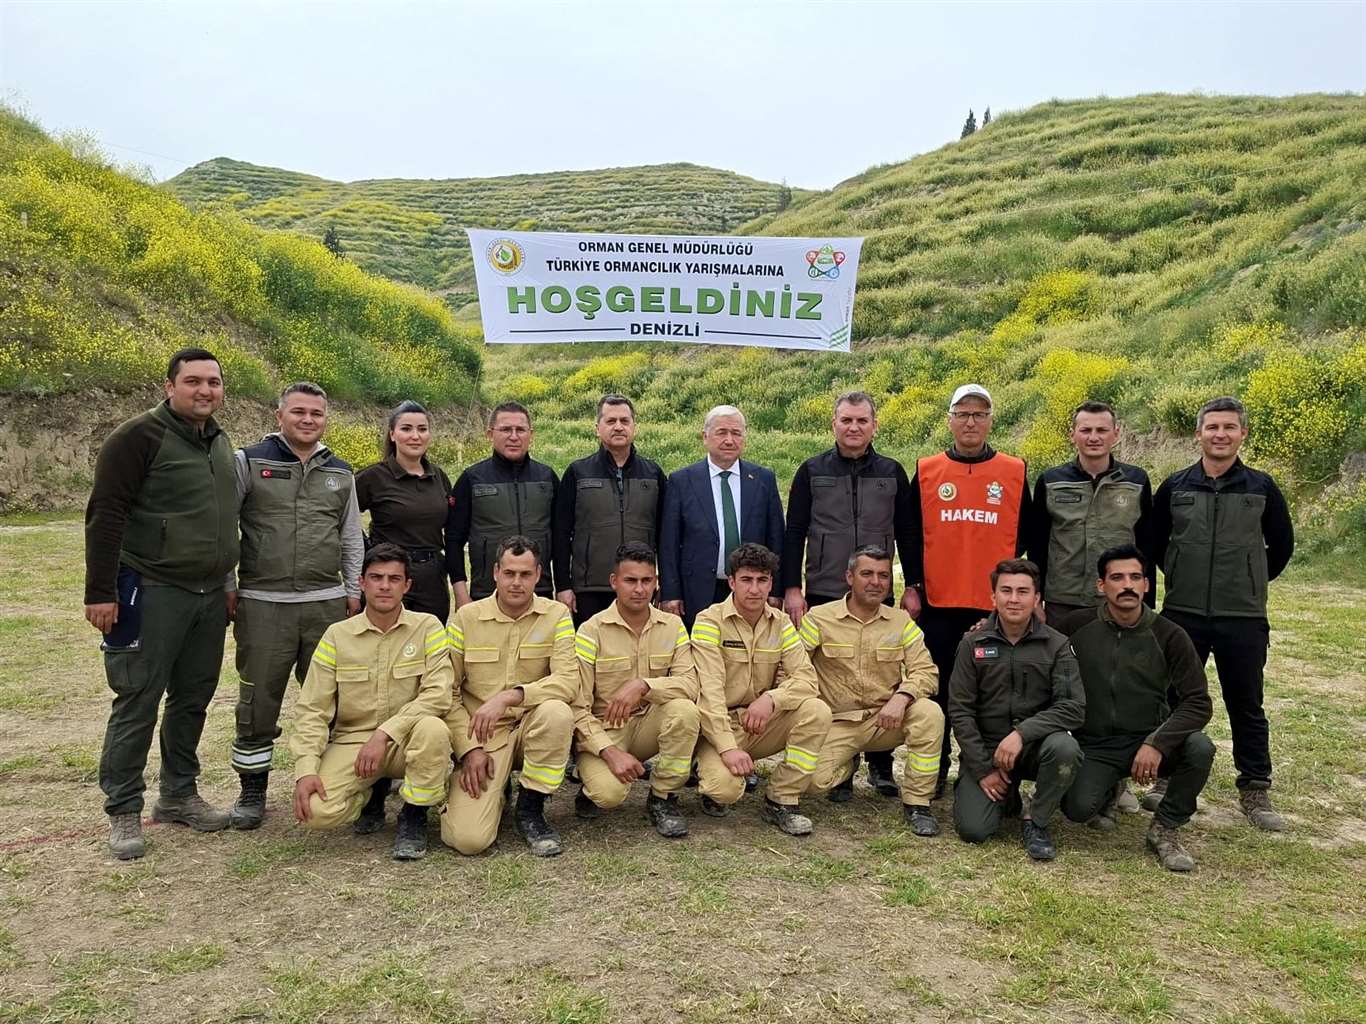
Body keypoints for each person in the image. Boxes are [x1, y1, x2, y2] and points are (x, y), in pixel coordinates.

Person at [84, 347, 240, 860]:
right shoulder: (137, 438)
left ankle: (178, 794)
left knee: (193, 698)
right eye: (193, 381)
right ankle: (124, 808)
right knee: (138, 698)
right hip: (150, 589)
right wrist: (101, 592)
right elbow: (105, 514)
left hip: (208, 594)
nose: (205, 391)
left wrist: (228, 579)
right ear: (170, 386)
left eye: (213, 382)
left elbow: (223, 522)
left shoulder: (220, 442)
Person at [1151, 396, 1294, 831]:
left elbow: (1281, 546)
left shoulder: (1262, 487)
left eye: (1229, 427)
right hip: (1183, 613)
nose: (1220, 434)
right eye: (1212, 427)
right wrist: (1180, 573)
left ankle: (1255, 788)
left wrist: (1248, 581)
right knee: (1173, 698)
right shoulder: (1174, 486)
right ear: (1198, 434)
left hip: (1243, 617)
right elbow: (1156, 543)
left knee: (1246, 703)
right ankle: (1163, 778)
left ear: (1242, 434)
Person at [225, 381, 364, 830]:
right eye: (299, 412)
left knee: (336, 701)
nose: (308, 420)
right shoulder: (248, 462)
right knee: (257, 700)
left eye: (316, 414)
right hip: (264, 602)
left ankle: (337, 784)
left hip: (325, 604)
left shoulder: (340, 472)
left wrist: (352, 589)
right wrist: (229, 582)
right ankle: (252, 791)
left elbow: (349, 535)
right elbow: (225, 527)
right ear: (279, 415)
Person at [781, 391, 916, 797]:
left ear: (874, 426)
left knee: (881, 672)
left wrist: (912, 585)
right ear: (834, 424)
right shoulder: (811, 471)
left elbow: (909, 532)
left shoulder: (892, 472)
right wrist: (791, 587)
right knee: (832, 677)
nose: (853, 427)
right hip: (825, 588)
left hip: (877, 590)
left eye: (861, 421)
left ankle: (880, 763)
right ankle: (840, 764)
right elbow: (795, 531)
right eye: (846, 420)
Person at [903, 383, 1032, 798]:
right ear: (950, 421)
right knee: (938, 691)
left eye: (979, 414)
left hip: (995, 608)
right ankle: (934, 770)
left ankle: (983, 770)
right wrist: (913, 585)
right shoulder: (926, 470)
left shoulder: (1014, 471)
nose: (971, 421)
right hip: (938, 604)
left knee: (991, 696)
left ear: (991, 420)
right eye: (963, 414)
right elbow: (907, 534)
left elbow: (1028, 533)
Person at [290, 544, 452, 861]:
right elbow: (312, 709)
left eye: (394, 578)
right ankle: (368, 792)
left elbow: (438, 694)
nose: (384, 586)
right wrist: (305, 769)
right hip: (354, 742)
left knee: (433, 729)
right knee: (316, 812)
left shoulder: (427, 627)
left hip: (407, 739)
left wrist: (384, 734)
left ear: (407, 585)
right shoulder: (337, 635)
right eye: (376, 577)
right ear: (362, 583)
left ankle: (414, 814)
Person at [1060, 545, 1216, 871]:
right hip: (1096, 743)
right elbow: (1031, 643)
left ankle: (1165, 829)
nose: (1127, 585)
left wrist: (1156, 742)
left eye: (1135, 577)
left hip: (1149, 740)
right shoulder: (1076, 626)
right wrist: (984, 629)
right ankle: (1108, 791)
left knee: (1199, 747)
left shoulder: (1170, 635)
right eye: (1117, 577)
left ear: (1146, 584)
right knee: (1076, 809)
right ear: (1101, 586)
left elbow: (1198, 702)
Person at [440, 536, 577, 858]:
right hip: (484, 735)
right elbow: (447, 691)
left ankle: (531, 807)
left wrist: (511, 697)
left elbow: (568, 682)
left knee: (557, 712)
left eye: (525, 574)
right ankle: (496, 791)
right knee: (469, 840)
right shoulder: (466, 618)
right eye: (510, 573)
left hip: (533, 726)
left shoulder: (556, 615)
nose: (517, 582)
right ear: (496, 572)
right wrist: (468, 749)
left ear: (539, 574)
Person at [801, 547, 944, 837]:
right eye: (866, 574)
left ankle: (918, 803)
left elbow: (927, 672)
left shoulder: (901, 622)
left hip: (885, 721)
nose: (876, 582)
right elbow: (794, 668)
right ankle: (846, 763)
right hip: (837, 722)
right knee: (810, 783)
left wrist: (902, 698)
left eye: (883, 575)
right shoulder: (818, 618)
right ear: (849, 577)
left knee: (929, 713)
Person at [948, 559, 1084, 861]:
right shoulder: (973, 644)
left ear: (1036, 598)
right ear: (993, 597)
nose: (1014, 599)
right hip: (987, 750)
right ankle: (1004, 796)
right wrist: (983, 770)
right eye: (1006, 591)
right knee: (974, 831)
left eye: (1023, 592)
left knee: (1065, 747)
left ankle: (1035, 821)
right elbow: (960, 711)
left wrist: (1022, 733)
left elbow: (1073, 708)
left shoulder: (1057, 645)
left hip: (1037, 747)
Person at [691, 544, 832, 835]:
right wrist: (728, 747)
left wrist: (771, 699)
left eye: (762, 580)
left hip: (760, 721)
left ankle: (781, 799)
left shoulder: (780, 623)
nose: (754, 589)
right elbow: (710, 691)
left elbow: (807, 680)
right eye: (746, 580)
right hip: (721, 725)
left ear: (771, 583)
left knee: (816, 710)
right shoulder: (708, 621)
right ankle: (703, 767)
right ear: (731, 582)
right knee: (724, 790)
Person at [572, 542, 701, 837]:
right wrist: (608, 751)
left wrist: (643, 685)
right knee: (609, 795)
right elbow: (576, 706)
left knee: (685, 710)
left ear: (656, 583)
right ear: (614, 582)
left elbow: (690, 684)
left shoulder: (673, 626)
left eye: (646, 581)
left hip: (649, 726)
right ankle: (590, 780)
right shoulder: (591, 630)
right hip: (605, 729)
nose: (639, 589)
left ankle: (663, 797)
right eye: (630, 580)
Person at [1028, 400, 1155, 628]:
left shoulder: (1136, 480)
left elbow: (1147, 542)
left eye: (1102, 430)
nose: (1093, 437)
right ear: (1073, 435)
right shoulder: (1051, 481)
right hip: (1063, 601)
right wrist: (1036, 598)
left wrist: (1146, 597)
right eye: (1085, 430)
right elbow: (1037, 544)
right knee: (1064, 663)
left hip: (1118, 597)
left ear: (1115, 434)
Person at [659, 405, 785, 631]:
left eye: (736, 433)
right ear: (705, 437)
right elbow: (668, 542)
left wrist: (775, 591)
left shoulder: (763, 479)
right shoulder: (682, 481)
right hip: (697, 590)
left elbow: (776, 537)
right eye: (722, 432)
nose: (729, 440)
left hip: (750, 589)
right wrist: (670, 593)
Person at [554, 395, 667, 626]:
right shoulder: (578, 473)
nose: (618, 427)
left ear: (634, 427)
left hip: (640, 587)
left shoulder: (653, 474)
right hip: (589, 589)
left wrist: (665, 582)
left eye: (625, 421)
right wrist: (564, 586)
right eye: (611, 421)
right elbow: (560, 533)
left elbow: (666, 535)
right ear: (598, 428)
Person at [444, 401, 558, 608]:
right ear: (490, 434)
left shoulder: (547, 477)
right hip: (486, 592)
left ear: (531, 434)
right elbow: (453, 540)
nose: (513, 436)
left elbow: (561, 537)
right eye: (505, 429)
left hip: (540, 591)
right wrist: (460, 593)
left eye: (520, 430)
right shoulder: (471, 479)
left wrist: (564, 587)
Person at [355, 400, 454, 623]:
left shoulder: (439, 476)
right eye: (406, 429)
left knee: (428, 644)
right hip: (388, 578)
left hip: (432, 578)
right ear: (392, 434)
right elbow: (341, 518)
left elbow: (453, 529)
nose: (415, 436)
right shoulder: (373, 477)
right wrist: (369, 550)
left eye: (422, 429)